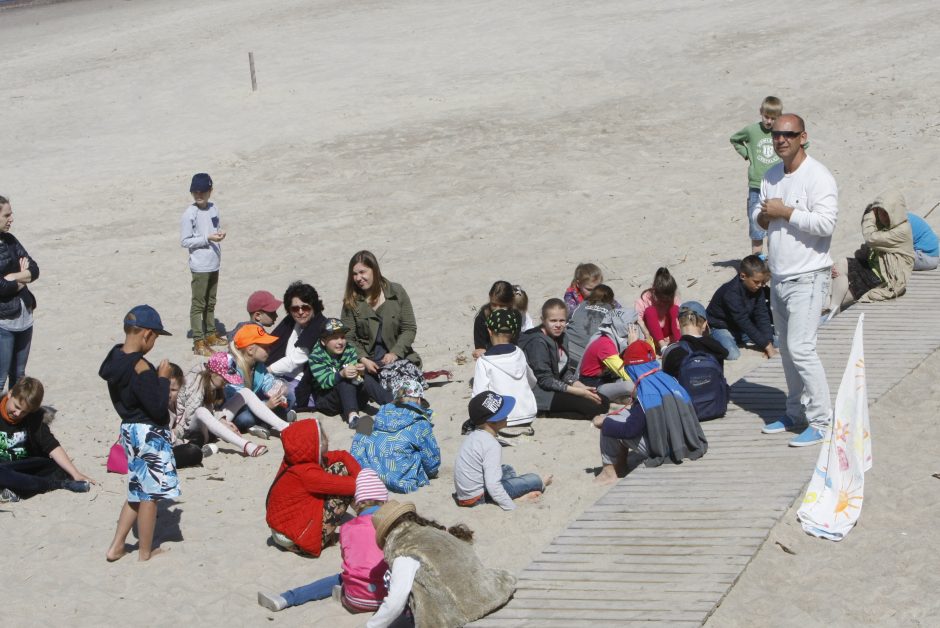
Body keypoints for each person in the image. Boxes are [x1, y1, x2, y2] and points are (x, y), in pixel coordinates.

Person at [755, 113, 838, 447]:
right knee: (788, 353)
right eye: (776, 135)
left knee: (801, 349)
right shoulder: (771, 176)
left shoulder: (818, 176)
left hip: (809, 276)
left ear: (803, 137)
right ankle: (795, 412)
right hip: (779, 278)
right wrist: (766, 214)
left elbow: (826, 224)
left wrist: (785, 211)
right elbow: (760, 220)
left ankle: (822, 420)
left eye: (788, 134)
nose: (781, 140)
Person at [99, 305, 178, 562]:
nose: (154, 342)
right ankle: (145, 551)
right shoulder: (141, 366)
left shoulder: (114, 358)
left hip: (128, 429)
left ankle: (116, 546)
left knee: (136, 490)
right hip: (148, 431)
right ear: (146, 334)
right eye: (154, 336)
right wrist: (163, 379)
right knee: (150, 495)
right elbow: (157, 408)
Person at [366, 500, 516, 628]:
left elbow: (395, 603)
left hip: (462, 610)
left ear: (387, 535)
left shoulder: (404, 550)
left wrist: (371, 625)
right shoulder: (433, 532)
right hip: (488, 592)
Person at [257, 468, 390, 613]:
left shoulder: (347, 528)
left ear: (357, 503)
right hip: (385, 596)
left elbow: (349, 560)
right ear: (384, 501)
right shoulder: (391, 524)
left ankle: (286, 598)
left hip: (354, 598)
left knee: (342, 577)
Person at [594, 340, 707, 484]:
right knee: (622, 415)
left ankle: (609, 472)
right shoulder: (669, 380)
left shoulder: (646, 392)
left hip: (667, 448)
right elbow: (693, 410)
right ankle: (621, 465)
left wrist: (604, 422)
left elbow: (630, 431)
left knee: (610, 422)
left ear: (632, 368)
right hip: (686, 440)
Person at [265, 419, 361, 557]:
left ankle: (365, 513)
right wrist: (364, 479)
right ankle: (367, 517)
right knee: (344, 486)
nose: (328, 438)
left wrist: (359, 474)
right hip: (297, 540)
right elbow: (353, 486)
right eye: (323, 436)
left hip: (282, 530)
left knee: (339, 467)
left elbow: (342, 455)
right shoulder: (307, 474)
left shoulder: (293, 460)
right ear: (318, 444)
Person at [0, 377, 94, 503]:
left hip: (24, 466)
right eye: (16, 407)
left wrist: (75, 473)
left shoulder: (34, 418)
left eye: (24, 412)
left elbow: (51, 445)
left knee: (57, 469)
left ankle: (12, 490)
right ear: (10, 393)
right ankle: (55, 485)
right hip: (3, 467)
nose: (18, 414)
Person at [454, 392, 551, 510]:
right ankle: (524, 493)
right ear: (492, 421)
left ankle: (512, 494)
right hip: (479, 498)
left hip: (465, 496)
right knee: (534, 479)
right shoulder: (491, 444)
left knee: (507, 469)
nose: (507, 414)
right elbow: (493, 485)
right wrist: (512, 508)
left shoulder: (474, 436)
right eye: (503, 412)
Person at [341, 251, 422, 389]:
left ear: (374, 270)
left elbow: (409, 328)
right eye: (354, 274)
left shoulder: (397, 292)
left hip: (397, 356)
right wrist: (363, 359)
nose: (358, 278)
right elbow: (347, 337)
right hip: (368, 360)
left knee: (404, 378)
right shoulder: (351, 301)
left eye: (362, 272)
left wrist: (395, 353)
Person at [518, 298, 607, 419]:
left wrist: (581, 386)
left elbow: (564, 370)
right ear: (543, 320)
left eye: (562, 320)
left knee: (603, 401)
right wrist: (579, 392)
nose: (558, 325)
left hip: (556, 384)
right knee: (593, 408)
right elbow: (545, 381)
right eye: (553, 321)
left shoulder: (563, 337)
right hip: (539, 391)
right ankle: (544, 412)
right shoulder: (537, 342)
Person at [829, 190, 915, 313]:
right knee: (841, 264)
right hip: (872, 269)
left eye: (887, 214)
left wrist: (870, 215)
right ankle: (833, 308)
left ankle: (832, 308)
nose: (883, 217)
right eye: (881, 213)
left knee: (839, 298)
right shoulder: (884, 226)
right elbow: (867, 250)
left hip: (883, 279)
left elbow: (870, 238)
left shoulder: (902, 230)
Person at [350, 378, 440, 493]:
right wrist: (432, 473)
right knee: (419, 451)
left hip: (373, 477)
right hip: (403, 482)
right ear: (418, 400)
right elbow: (431, 460)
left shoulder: (380, 415)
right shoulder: (420, 423)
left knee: (365, 427)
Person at [171, 353, 269, 458]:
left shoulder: (212, 383)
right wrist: (221, 422)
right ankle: (246, 446)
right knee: (201, 411)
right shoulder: (196, 383)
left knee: (245, 392)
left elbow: (212, 410)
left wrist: (222, 420)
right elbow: (190, 420)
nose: (227, 381)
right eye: (225, 377)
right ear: (213, 372)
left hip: (209, 424)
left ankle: (284, 428)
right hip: (194, 433)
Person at [310, 318, 392, 428]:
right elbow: (324, 382)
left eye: (342, 337)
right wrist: (341, 374)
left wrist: (360, 372)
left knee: (365, 378)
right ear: (323, 341)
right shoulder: (316, 356)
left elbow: (356, 378)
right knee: (344, 381)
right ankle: (353, 416)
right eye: (334, 338)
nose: (340, 342)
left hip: (353, 398)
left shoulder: (349, 349)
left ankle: (392, 403)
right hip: (329, 402)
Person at [729, 96, 784, 256]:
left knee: (776, 224)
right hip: (756, 185)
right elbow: (735, 139)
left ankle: (774, 259)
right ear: (761, 113)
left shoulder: (781, 132)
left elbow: (801, 144)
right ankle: (757, 260)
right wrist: (747, 154)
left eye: (773, 118)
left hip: (777, 183)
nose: (769, 121)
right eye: (766, 117)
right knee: (756, 224)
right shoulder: (752, 130)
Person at [180, 173, 226, 356]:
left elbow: (215, 227)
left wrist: (219, 235)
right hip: (200, 265)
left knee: (211, 301)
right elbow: (184, 241)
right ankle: (199, 341)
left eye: (203, 191)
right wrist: (206, 238)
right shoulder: (189, 214)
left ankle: (210, 334)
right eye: (195, 192)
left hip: (214, 262)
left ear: (210, 191)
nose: (199, 195)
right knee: (198, 304)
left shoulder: (214, 208)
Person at [662, 301, 730, 421]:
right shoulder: (716, 348)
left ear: (677, 324)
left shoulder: (672, 351)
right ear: (704, 325)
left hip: (685, 414)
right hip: (716, 407)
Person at [471, 309, 537, 429]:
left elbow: (478, 395)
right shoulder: (519, 353)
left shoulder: (484, 361)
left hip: (502, 418)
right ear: (512, 333)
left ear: (489, 332)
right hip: (528, 414)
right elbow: (532, 381)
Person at [266, 281, 328, 409]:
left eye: (305, 307)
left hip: (304, 384)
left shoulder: (319, 326)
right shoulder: (292, 321)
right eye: (295, 308)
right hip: (282, 377)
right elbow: (272, 342)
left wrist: (266, 371)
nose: (300, 312)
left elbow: (294, 361)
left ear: (314, 307)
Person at [0, 195, 39, 392]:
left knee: (19, 376)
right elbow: (1, 288)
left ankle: (15, 422)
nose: (11, 219)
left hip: (24, 317)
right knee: (0, 380)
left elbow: (35, 270)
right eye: (7, 214)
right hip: (3, 323)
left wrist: (13, 276)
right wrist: (23, 279)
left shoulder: (10, 240)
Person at [226, 324, 291, 438]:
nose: (270, 349)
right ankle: (262, 423)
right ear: (250, 350)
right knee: (245, 419)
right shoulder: (233, 369)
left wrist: (277, 388)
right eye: (265, 347)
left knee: (290, 397)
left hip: (254, 404)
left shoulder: (257, 365)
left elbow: (267, 381)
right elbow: (237, 402)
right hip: (236, 410)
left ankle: (262, 423)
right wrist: (266, 405)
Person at [706, 255, 776, 361]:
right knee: (732, 354)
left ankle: (744, 338)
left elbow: (762, 314)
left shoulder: (758, 289)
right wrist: (767, 346)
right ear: (743, 276)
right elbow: (743, 321)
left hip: (741, 327)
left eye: (762, 282)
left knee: (776, 341)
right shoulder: (730, 293)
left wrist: (768, 342)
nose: (760, 285)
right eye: (756, 282)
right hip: (722, 326)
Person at [576, 308, 640, 403]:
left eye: (636, 323)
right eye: (632, 324)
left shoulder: (616, 339)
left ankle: (619, 398)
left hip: (610, 379)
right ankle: (618, 398)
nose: (634, 327)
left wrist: (646, 332)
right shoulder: (605, 344)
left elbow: (649, 357)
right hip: (594, 385)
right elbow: (625, 373)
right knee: (631, 386)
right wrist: (632, 347)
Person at [564, 283, 616, 372]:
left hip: (566, 348)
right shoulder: (611, 310)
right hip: (584, 357)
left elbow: (570, 321)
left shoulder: (582, 304)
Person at [635, 267, 681, 353]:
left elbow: (678, 322)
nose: (664, 303)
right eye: (662, 300)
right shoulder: (644, 299)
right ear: (654, 292)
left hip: (670, 335)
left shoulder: (674, 299)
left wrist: (672, 338)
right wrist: (648, 336)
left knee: (675, 309)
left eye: (667, 301)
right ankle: (663, 347)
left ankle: (680, 342)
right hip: (652, 336)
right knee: (650, 311)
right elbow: (638, 321)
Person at [472, 280, 522, 359]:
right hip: (490, 358)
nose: (497, 309)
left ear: (511, 301)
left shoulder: (515, 316)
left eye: (502, 305)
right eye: (494, 304)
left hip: (510, 355)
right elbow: (480, 347)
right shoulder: (482, 319)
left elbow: (515, 341)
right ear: (490, 297)